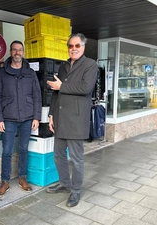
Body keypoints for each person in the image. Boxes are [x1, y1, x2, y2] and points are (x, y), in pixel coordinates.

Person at [45, 33, 98, 207]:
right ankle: (64, 183)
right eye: (70, 46)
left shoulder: (90, 65)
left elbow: (86, 88)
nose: (73, 49)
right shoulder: (64, 66)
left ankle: (75, 191)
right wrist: (51, 115)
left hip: (76, 120)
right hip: (60, 118)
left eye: (77, 46)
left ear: (83, 47)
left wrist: (62, 86)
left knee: (76, 159)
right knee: (58, 155)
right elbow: (55, 92)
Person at [0, 40, 42, 198]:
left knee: (23, 149)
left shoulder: (30, 73)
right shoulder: (1, 73)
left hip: (27, 118)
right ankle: (5, 181)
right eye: (14, 50)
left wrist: (37, 117)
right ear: (11, 52)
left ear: (23, 53)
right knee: (6, 151)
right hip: (8, 119)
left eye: (20, 50)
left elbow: (37, 96)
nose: (17, 53)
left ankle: (22, 178)